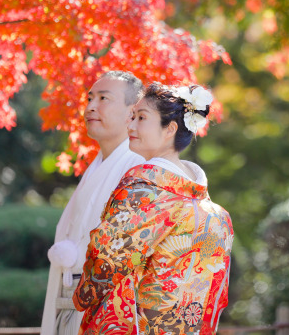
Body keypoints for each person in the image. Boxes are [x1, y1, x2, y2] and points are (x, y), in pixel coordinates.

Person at [74, 83, 234, 335]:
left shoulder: (144, 188)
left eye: (141, 118)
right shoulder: (216, 213)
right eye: (132, 117)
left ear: (169, 129)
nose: (131, 126)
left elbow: (107, 256)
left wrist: (83, 293)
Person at [41, 71, 146, 335]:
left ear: (132, 112)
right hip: (70, 304)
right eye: (89, 99)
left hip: (109, 313)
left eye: (103, 98)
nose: (90, 107)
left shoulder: (139, 168)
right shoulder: (97, 166)